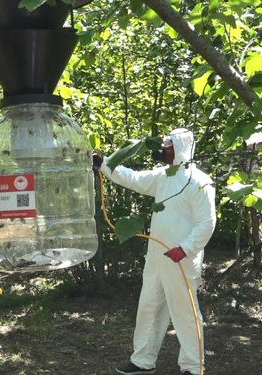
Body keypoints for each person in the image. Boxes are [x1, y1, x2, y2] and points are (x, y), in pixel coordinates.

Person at [93, 128, 216, 375]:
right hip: (157, 257)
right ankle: (142, 361)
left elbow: (207, 222)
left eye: (167, 145)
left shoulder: (199, 182)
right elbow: (133, 179)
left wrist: (185, 249)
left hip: (181, 260)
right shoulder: (164, 176)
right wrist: (104, 164)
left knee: (186, 313)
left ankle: (193, 367)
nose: (162, 149)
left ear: (180, 147)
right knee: (149, 308)